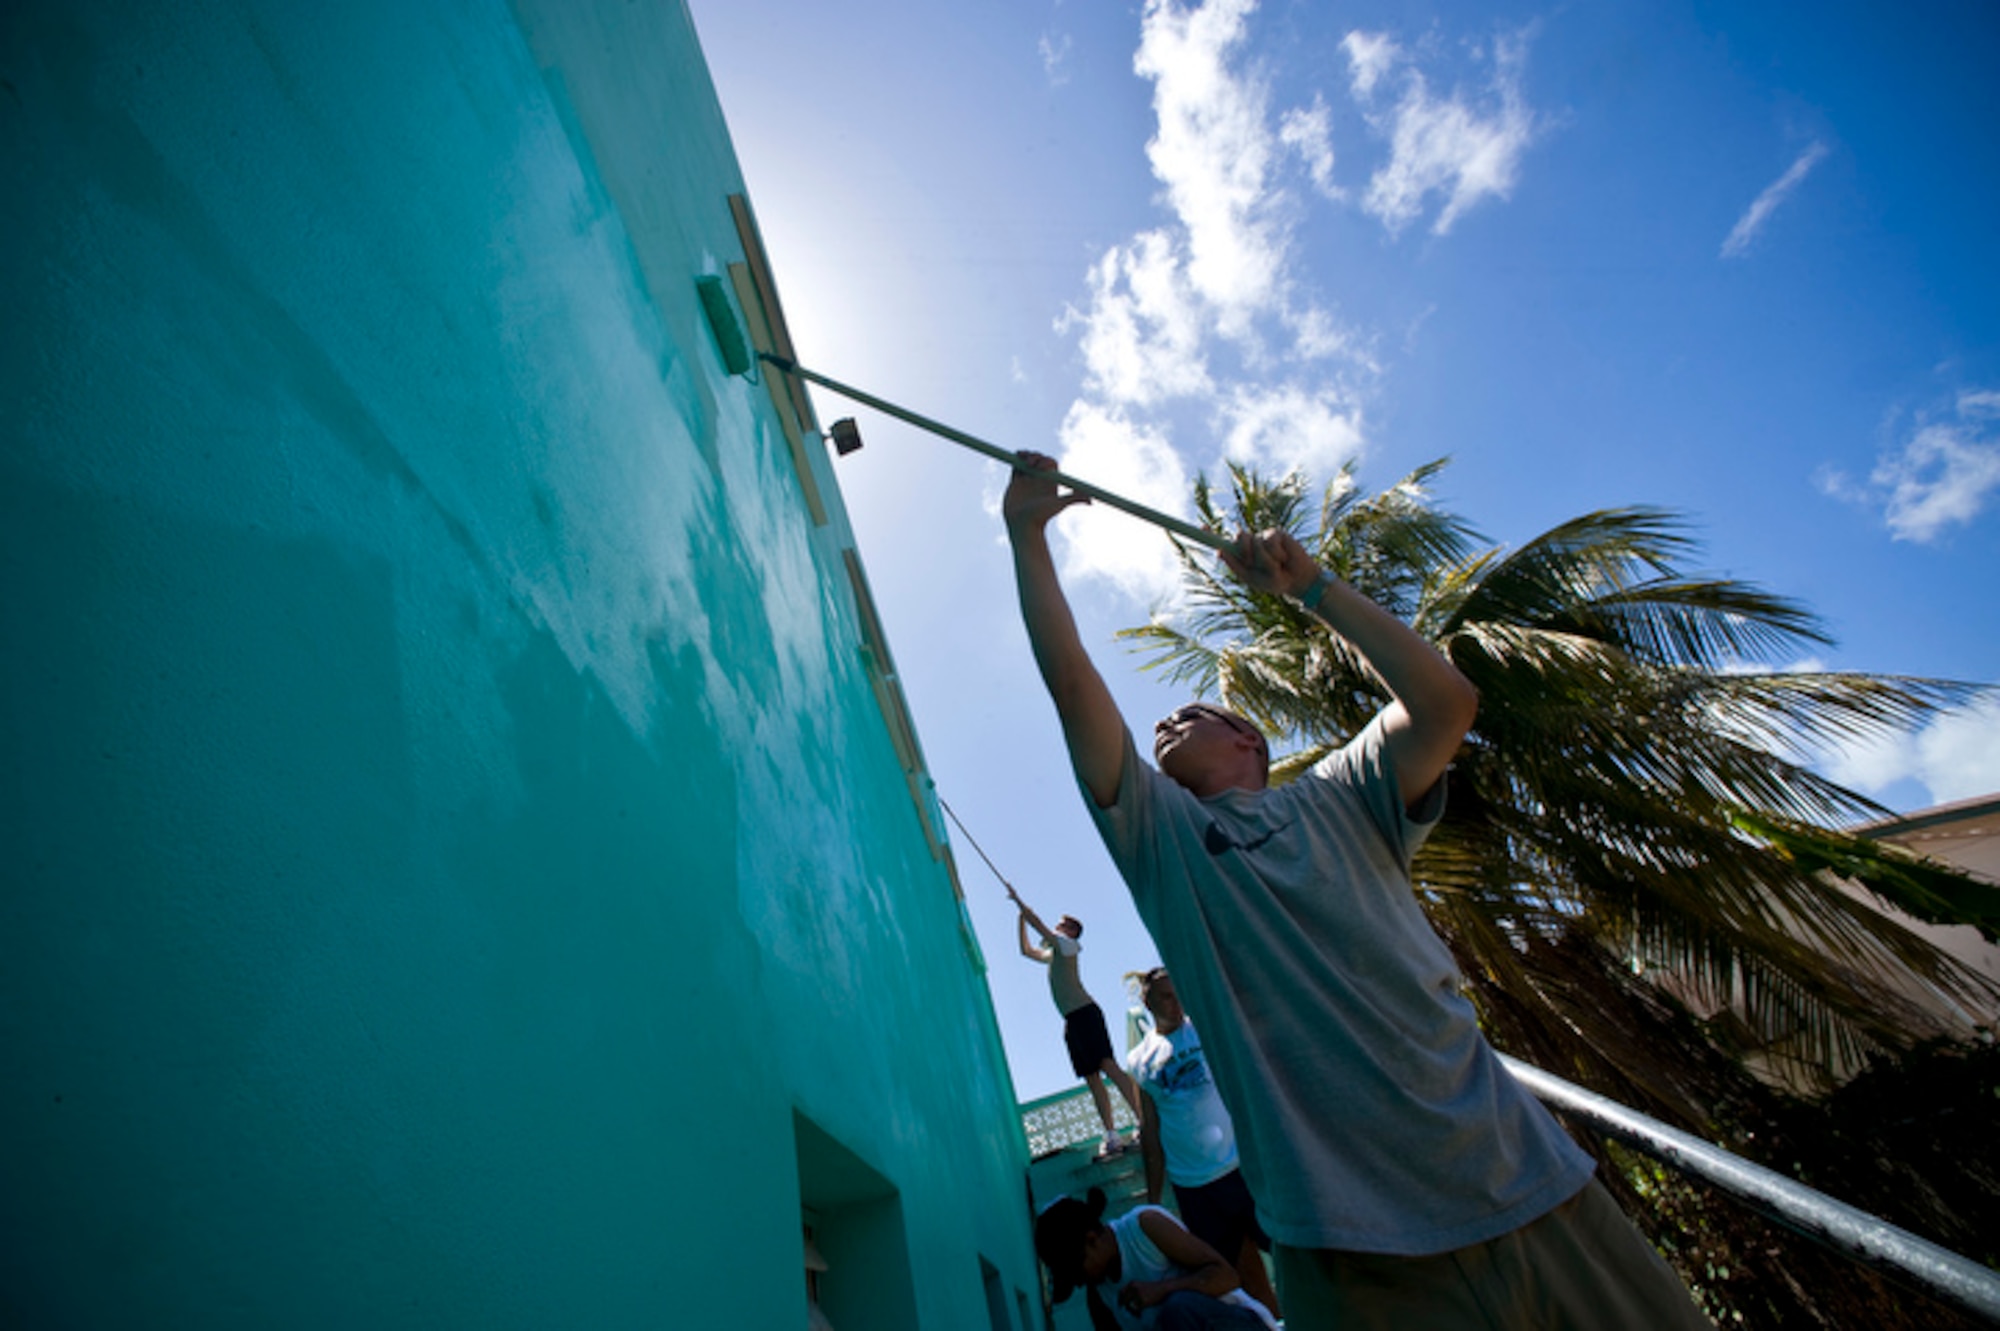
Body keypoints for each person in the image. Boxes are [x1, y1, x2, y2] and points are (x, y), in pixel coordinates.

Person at [1004, 452, 1709, 1328]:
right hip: (1346, 1253)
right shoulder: (1165, 842)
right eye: (1159, 727)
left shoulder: (1346, 789)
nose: (1162, 723)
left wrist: (1315, 589)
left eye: (1192, 714)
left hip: (1522, 1180)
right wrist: (1026, 534)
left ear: (1250, 740)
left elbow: (1445, 701)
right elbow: (1074, 685)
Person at [1126, 968, 1279, 1321]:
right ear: (1147, 1002)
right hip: (1196, 1188)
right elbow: (1150, 1130)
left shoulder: (1204, 1027)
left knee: (1292, 1254)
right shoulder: (1139, 1061)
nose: (1175, 1002)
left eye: (1178, 993)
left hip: (1242, 1168)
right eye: (1165, 996)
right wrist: (1153, 1202)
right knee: (1241, 1278)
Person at [1012, 885, 1145, 1157]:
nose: (1057, 928)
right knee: (1091, 1078)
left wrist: (1021, 905)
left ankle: (1144, 1120)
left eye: (1063, 926)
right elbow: (1026, 951)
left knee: (1109, 1066)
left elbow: (1044, 931)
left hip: (1086, 1013)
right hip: (1071, 1021)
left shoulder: (1070, 946)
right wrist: (1020, 919)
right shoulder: (1053, 953)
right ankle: (1111, 1135)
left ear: (1072, 932)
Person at [1034, 1187, 1278, 1331]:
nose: (1080, 1282)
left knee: (1178, 1308)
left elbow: (1227, 1277)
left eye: (1078, 1270)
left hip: (1240, 1323)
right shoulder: (1099, 1296)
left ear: (1092, 1240)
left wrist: (1161, 1289)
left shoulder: (1144, 1227)